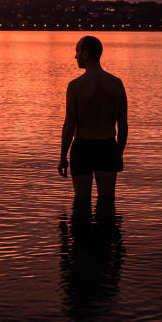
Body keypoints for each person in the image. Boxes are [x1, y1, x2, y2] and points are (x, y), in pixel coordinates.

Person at [58, 36, 128, 219]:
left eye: (77, 52)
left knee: (81, 205)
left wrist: (62, 157)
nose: (76, 57)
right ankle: (106, 243)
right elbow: (123, 124)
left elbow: (69, 125)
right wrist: (119, 153)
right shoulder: (116, 84)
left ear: (86, 54)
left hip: (82, 148)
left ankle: (81, 245)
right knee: (107, 204)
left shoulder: (75, 86)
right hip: (107, 147)